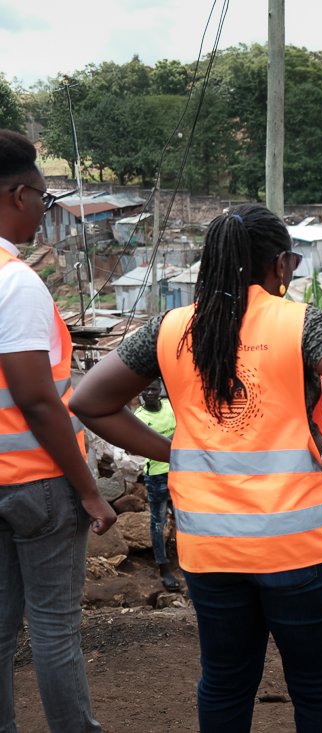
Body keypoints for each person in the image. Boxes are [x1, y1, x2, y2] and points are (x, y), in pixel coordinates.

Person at [69, 203, 322, 733]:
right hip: (301, 544)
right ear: (280, 265)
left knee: (225, 681)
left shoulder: (171, 328)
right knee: (317, 689)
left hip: (210, 546)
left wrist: (171, 451)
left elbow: (90, 401)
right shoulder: (301, 323)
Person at [0, 128, 116, 733]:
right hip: (37, 484)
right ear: (17, 195)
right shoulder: (14, 282)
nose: (46, 215)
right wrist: (89, 490)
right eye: (45, 201)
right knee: (52, 628)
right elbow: (38, 399)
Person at [132, 379, 180, 592]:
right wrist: (173, 439)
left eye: (153, 389)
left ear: (159, 390)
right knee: (158, 522)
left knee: (185, 518)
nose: (149, 393)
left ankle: (190, 562)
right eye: (146, 389)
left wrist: (164, 440)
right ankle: (164, 567)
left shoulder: (171, 406)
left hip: (180, 471)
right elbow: (140, 445)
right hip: (157, 477)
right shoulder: (139, 417)